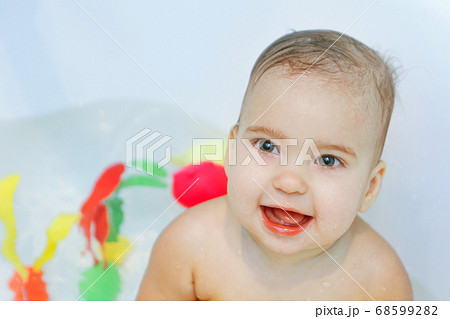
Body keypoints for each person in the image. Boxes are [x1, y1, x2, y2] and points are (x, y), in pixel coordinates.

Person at [137, 30, 413, 300]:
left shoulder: (378, 282)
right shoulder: (189, 246)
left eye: (328, 160)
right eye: (267, 146)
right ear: (232, 152)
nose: (289, 182)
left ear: (369, 187)